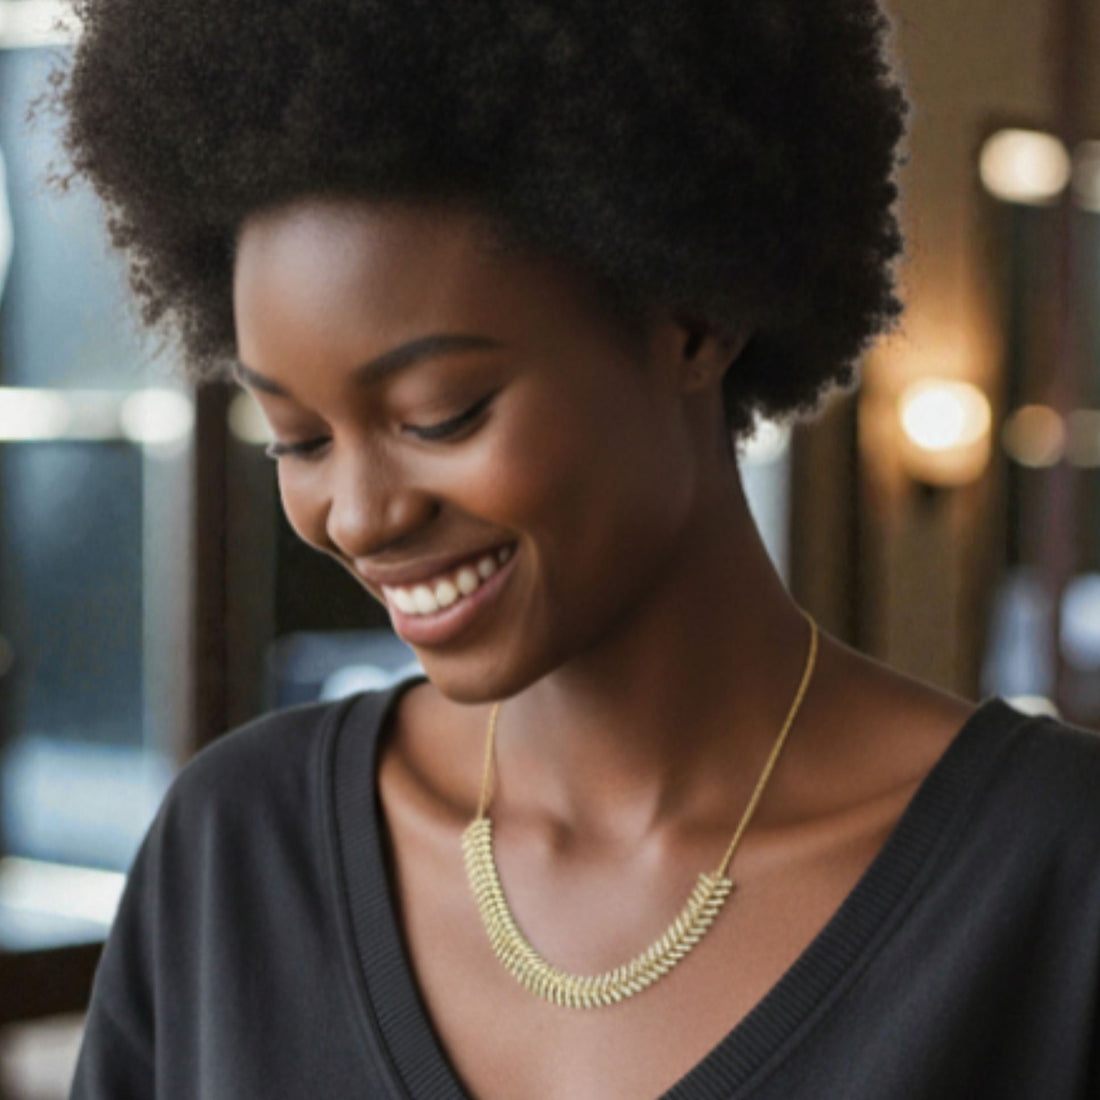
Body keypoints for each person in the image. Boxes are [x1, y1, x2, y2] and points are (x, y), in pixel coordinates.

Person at [57, 0, 1100, 1096]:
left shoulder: (1054, 877)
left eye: (440, 412)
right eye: (298, 438)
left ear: (691, 320)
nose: (358, 515)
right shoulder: (234, 855)